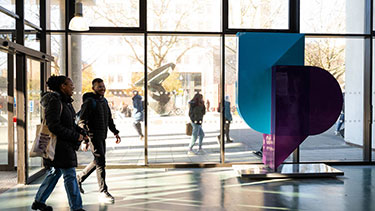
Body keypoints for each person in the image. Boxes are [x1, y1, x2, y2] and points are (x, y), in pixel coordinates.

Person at [32, 75, 87, 211]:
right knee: (70, 176)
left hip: (63, 145)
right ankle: (76, 208)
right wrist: (75, 136)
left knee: (55, 173)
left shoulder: (65, 102)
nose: (73, 87)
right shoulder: (55, 102)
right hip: (59, 147)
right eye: (71, 84)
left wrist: (81, 132)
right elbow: (53, 125)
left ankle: (39, 201)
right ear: (63, 86)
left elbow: (69, 123)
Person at [76, 78, 121, 204]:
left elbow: (109, 119)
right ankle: (103, 191)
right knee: (101, 162)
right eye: (99, 86)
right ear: (93, 88)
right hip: (92, 136)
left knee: (98, 161)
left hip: (102, 136)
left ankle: (79, 178)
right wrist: (85, 139)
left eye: (103, 86)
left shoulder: (104, 101)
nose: (102, 88)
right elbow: (82, 121)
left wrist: (115, 132)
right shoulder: (89, 102)